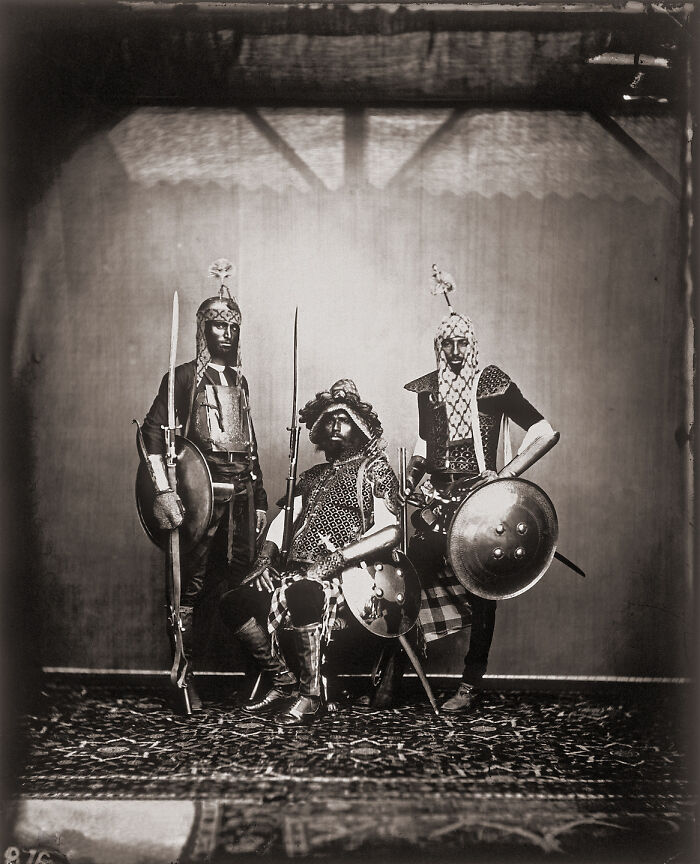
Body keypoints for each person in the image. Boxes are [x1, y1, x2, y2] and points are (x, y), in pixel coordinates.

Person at [401, 295, 558, 713]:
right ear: (439, 346)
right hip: (438, 499)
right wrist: (413, 475)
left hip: (481, 503)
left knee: (483, 589)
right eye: (447, 343)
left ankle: (471, 683)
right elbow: (424, 440)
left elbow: (544, 431)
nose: (455, 352)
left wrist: (506, 474)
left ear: (472, 345)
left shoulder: (492, 384)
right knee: (409, 576)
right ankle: (392, 674)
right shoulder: (429, 388)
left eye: (462, 344)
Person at [219, 379, 401, 725]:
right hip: (293, 572)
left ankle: (311, 694)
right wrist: (264, 557)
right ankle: (283, 681)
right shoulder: (312, 476)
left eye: (344, 419)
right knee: (233, 601)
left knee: (304, 593)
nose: (335, 426)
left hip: (347, 578)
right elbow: (284, 519)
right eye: (329, 420)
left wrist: (337, 560)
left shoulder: (373, 469)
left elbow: (391, 530)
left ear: (360, 428)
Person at [138, 259, 269, 714]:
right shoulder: (181, 380)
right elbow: (151, 436)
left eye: (232, 325)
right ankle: (184, 677)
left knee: (238, 584)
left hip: (240, 498)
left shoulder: (241, 382)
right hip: (198, 497)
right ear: (203, 329)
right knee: (187, 588)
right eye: (216, 325)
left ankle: (264, 675)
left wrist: (262, 502)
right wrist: (163, 491)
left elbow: (248, 447)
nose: (226, 333)